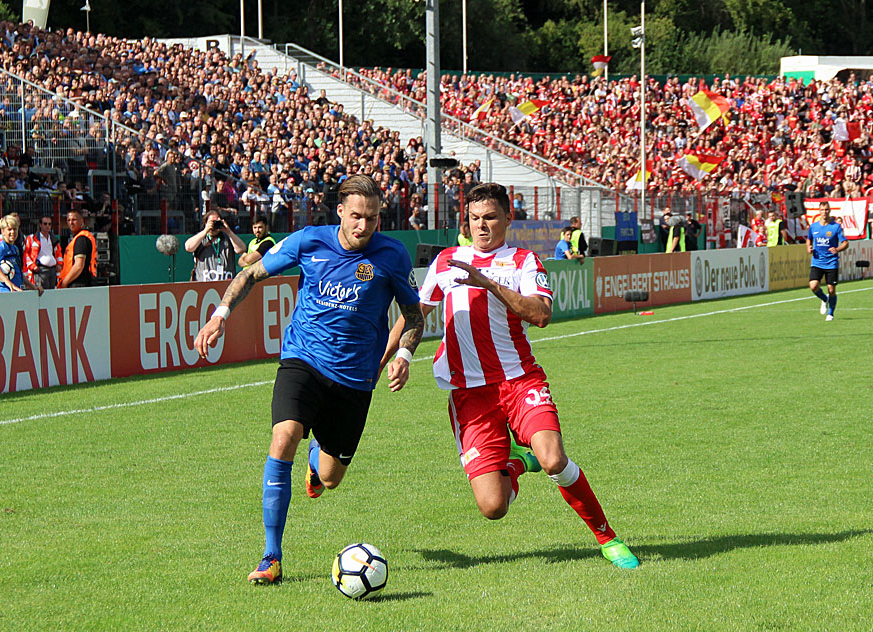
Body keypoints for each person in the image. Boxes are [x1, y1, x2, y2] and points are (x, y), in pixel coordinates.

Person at [384, 183, 638, 570]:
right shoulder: (446, 261)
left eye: (490, 218)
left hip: (520, 382)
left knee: (553, 460)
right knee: (493, 507)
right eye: (474, 219)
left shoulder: (522, 261)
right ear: (465, 222)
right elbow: (415, 314)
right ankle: (518, 462)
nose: (482, 226)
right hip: (469, 395)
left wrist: (486, 282)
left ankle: (607, 537)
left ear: (507, 219)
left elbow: (541, 315)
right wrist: (401, 354)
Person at [193, 174, 425, 585]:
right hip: (303, 359)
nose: (363, 226)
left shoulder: (393, 256)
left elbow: (414, 317)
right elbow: (250, 275)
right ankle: (271, 556)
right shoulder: (309, 240)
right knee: (284, 437)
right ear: (340, 211)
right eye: (356, 216)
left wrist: (404, 354)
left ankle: (317, 464)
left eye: (372, 219)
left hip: (354, 379)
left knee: (332, 479)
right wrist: (220, 315)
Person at [806, 202, 849, 321]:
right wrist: (808, 248)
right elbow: (809, 240)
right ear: (819, 211)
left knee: (831, 289)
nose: (824, 212)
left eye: (826, 210)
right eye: (822, 210)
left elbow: (845, 243)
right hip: (817, 262)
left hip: (831, 262)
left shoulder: (835, 227)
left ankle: (831, 313)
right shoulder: (814, 226)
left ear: (829, 211)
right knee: (813, 286)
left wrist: (837, 249)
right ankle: (824, 299)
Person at [185, 210, 247, 281]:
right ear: (205, 223)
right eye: (212, 222)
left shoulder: (228, 238)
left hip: (225, 284)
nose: (214, 225)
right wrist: (205, 230)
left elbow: (241, 249)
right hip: (204, 285)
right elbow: (188, 247)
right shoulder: (201, 238)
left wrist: (228, 231)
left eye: (216, 222)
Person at [0, 214, 42, 294]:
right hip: (5, 291)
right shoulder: (2, 246)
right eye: (9, 229)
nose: (12, 232)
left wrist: (33, 287)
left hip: (17, 290)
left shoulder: (15, 248)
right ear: (3, 231)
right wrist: (7, 282)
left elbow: (19, 273)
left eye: (15, 229)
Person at [58, 209, 97, 288]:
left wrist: (64, 283)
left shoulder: (81, 239)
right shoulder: (79, 238)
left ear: (81, 221)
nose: (71, 223)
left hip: (78, 284)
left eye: (74, 220)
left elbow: (78, 266)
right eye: (68, 220)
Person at [24, 215, 63, 289]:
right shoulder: (32, 238)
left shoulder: (53, 239)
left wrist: (60, 264)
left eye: (49, 224)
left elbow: (58, 253)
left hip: (53, 270)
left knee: (52, 292)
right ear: (40, 225)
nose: (47, 226)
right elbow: (26, 254)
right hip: (41, 270)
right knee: (42, 293)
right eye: (45, 224)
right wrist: (32, 266)